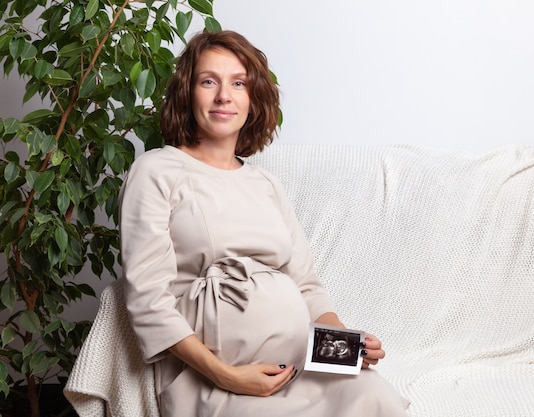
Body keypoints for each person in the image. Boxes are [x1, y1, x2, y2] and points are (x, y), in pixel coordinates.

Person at [119, 30, 409, 417]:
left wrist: (344, 345)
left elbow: (306, 285)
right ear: (188, 94)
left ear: (253, 99)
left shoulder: (266, 184)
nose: (224, 96)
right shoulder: (156, 170)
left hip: (301, 365)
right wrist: (226, 376)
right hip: (214, 376)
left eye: (238, 83)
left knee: (376, 398)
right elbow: (149, 299)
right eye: (209, 82)